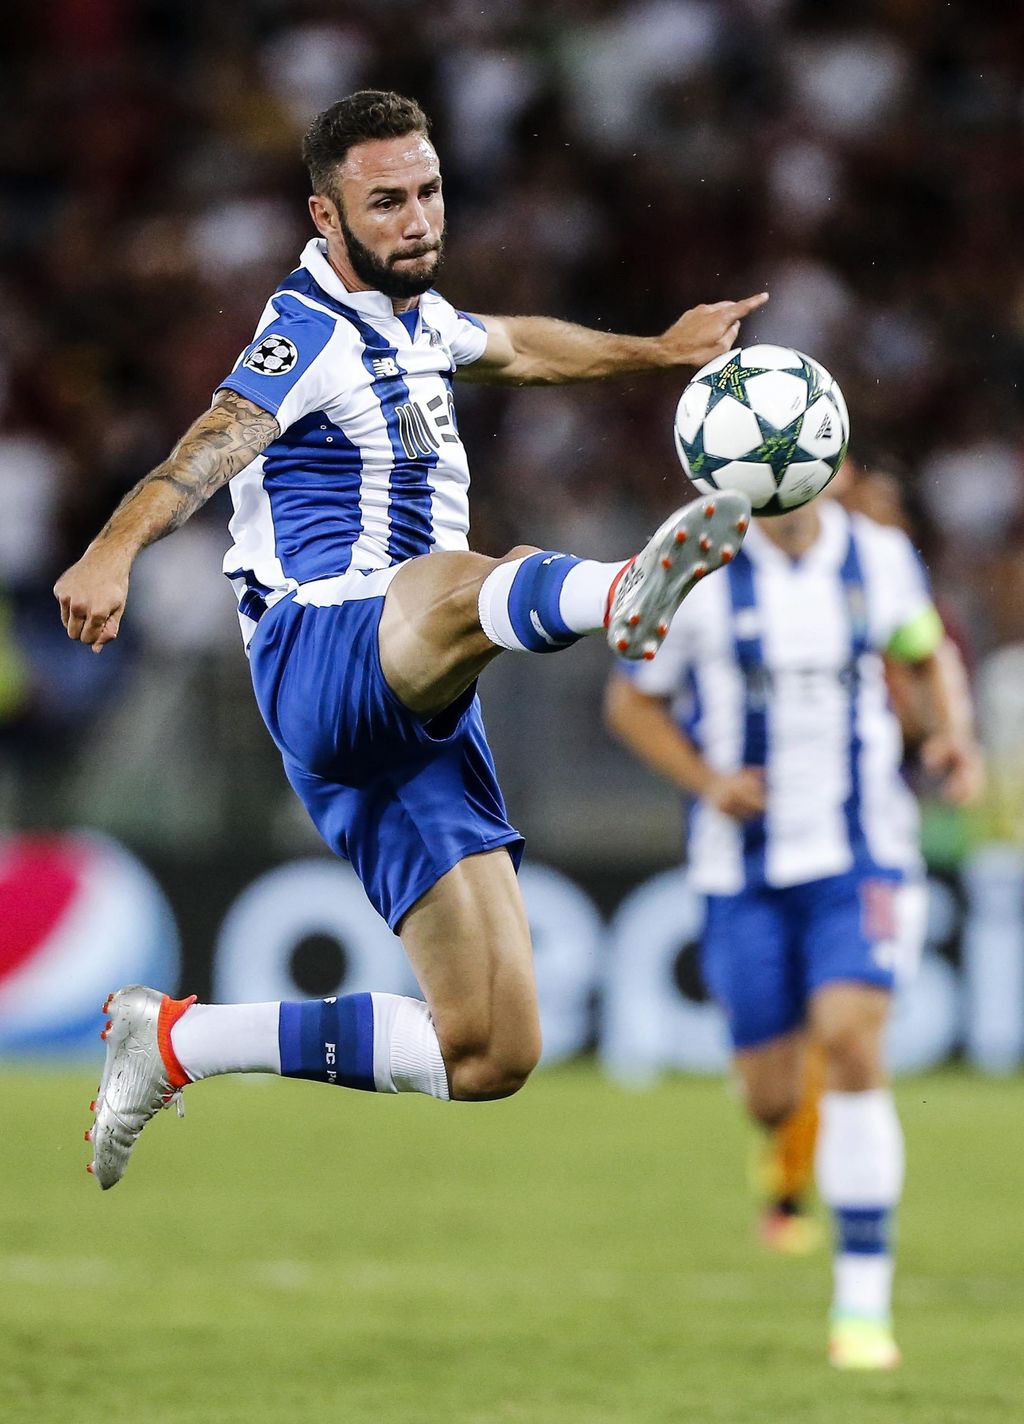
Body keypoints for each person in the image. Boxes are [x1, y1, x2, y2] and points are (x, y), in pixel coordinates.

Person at [55, 90, 765, 1191]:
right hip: (322, 652)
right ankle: (620, 590)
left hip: (414, 707)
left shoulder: (416, 317)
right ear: (324, 218)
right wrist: (113, 548)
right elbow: (209, 442)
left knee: (490, 1045)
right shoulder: (307, 330)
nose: (418, 218)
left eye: (427, 191)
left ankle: (177, 1042)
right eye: (385, 202)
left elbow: (519, 346)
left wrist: (657, 349)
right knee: (452, 577)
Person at [604, 490, 984, 1370]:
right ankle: (783, 1148)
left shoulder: (881, 556)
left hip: (865, 852)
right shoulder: (700, 566)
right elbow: (631, 705)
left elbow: (925, 657)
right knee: (773, 1096)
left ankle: (862, 1304)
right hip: (741, 867)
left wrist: (953, 735)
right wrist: (707, 782)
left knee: (852, 1041)